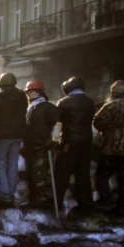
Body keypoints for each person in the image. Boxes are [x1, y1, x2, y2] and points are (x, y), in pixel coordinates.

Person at [92, 80, 124, 213]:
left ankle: (106, 201)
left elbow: (98, 122)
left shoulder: (110, 106)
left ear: (113, 92)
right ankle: (121, 206)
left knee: (102, 175)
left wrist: (109, 130)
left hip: (111, 147)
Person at [0, 72, 28, 207]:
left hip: (1, 137)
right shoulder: (23, 97)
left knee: (0, 165)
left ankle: (4, 196)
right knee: (13, 165)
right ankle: (12, 193)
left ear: (1, 84)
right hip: (17, 136)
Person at [53, 75, 96, 214]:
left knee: (62, 174)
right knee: (83, 174)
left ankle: (57, 203)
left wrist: (54, 141)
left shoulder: (64, 102)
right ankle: (86, 205)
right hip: (86, 142)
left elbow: (57, 124)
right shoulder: (90, 102)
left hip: (69, 142)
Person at [23, 80, 60, 209]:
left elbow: (57, 124)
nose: (29, 94)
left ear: (39, 93)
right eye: (28, 92)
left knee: (40, 175)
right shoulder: (30, 108)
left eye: (32, 92)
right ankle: (34, 198)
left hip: (43, 146)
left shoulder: (48, 107)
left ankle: (42, 200)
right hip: (30, 145)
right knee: (31, 173)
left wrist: (53, 141)